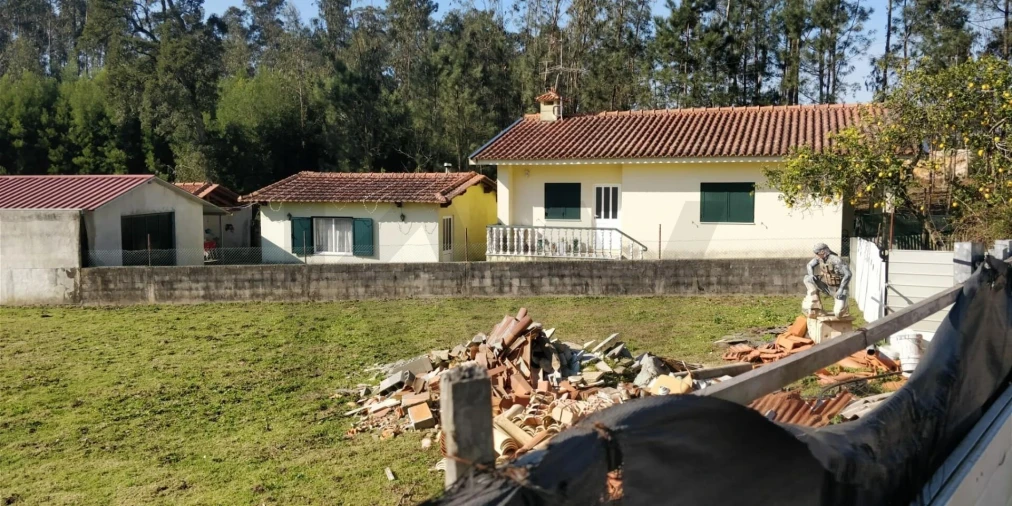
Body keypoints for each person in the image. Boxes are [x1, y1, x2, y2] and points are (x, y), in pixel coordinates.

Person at [803, 242, 852, 317]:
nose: (816, 255)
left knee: (839, 314)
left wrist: (841, 289)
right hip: (826, 285)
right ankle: (816, 305)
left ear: (823, 252)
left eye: (817, 253)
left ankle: (843, 307)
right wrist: (811, 275)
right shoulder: (819, 258)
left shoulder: (836, 260)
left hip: (838, 289)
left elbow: (848, 274)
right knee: (808, 279)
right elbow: (809, 265)